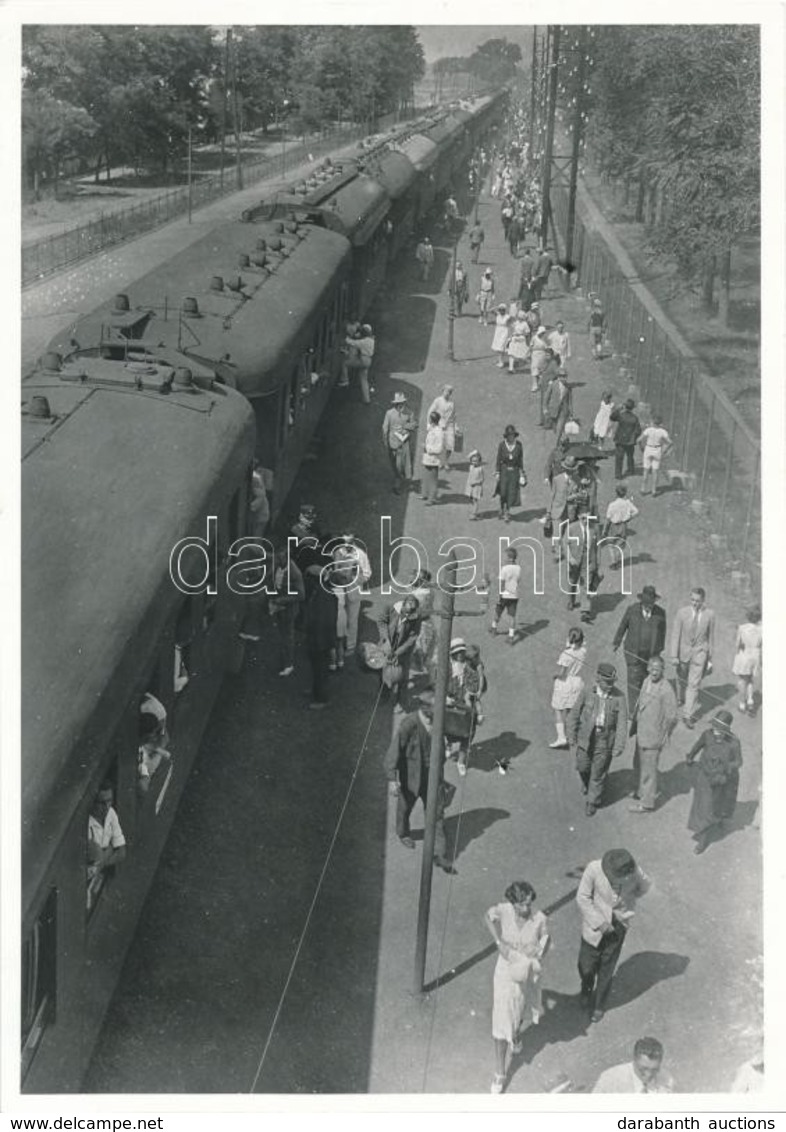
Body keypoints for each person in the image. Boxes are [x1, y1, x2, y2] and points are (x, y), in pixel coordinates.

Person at [485, 881, 550, 1094]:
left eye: (529, 904)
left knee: (519, 1010)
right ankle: (500, 1072)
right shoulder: (503, 910)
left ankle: (515, 1033)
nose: (526, 909)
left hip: (525, 971)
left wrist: (538, 954)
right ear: (512, 903)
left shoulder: (539, 919)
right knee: (501, 1020)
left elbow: (546, 939)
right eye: (522, 904)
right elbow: (486, 916)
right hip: (505, 970)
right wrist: (498, 942)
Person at [575, 848, 649, 1021]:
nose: (624, 880)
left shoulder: (635, 872)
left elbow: (645, 886)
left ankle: (599, 1004)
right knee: (586, 965)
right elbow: (582, 898)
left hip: (618, 926)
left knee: (607, 968)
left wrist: (627, 905)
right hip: (594, 926)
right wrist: (600, 923)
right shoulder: (593, 869)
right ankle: (586, 990)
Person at [383, 695, 454, 872]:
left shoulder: (438, 720)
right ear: (425, 709)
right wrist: (392, 779)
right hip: (411, 777)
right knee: (405, 807)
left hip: (433, 776)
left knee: (436, 813)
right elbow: (394, 751)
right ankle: (403, 833)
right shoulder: (409, 724)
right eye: (436, 710)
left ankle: (438, 854)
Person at [568, 661, 628, 816]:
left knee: (598, 772)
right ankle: (587, 783)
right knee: (582, 766)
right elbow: (574, 713)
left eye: (612, 683)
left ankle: (592, 801)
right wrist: (571, 735)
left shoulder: (619, 698)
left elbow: (622, 724)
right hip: (586, 737)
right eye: (607, 682)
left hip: (605, 740)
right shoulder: (587, 692)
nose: (610, 686)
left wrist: (619, 746)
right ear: (598, 679)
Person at [686, 709, 742, 854]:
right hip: (704, 777)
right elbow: (697, 746)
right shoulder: (707, 735)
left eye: (720, 729)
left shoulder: (734, 743)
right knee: (703, 809)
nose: (716, 731)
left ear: (726, 731)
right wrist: (690, 756)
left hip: (720, 780)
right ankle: (707, 830)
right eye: (715, 727)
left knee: (713, 807)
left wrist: (726, 767)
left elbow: (739, 762)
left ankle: (703, 841)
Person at [628, 656, 678, 813]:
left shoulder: (666, 690)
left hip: (654, 736)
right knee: (639, 764)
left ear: (663, 670)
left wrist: (663, 734)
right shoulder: (646, 681)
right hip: (642, 732)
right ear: (648, 668)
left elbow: (672, 717)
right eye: (652, 668)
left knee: (649, 770)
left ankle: (647, 803)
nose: (654, 672)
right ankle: (641, 792)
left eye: (658, 669)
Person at [612, 585, 667, 709]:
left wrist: (659, 651)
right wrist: (617, 642)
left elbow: (663, 633)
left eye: (651, 604)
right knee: (633, 682)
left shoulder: (660, 613)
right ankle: (632, 710)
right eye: (646, 604)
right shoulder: (632, 610)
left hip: (651, 656)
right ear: (641, 602)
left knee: (647, 681)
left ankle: (644, 708)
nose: (649, 606)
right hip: (633, 654)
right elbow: (622, 626)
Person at [670, 586, 716, 728]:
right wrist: (674, 655)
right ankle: (680, 697)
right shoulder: (682, 613)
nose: (695, 603)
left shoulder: (710, 615)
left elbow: (711, 637)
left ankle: (687, 715)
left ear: (703, 600)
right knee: (682, 678)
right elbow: (675, 635)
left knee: (694, 685)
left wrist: (709, 658)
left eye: (698, 601)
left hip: (700, 654)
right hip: (683, 654)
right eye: (692, 600)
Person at [377, 595, 422, 712]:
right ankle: (384, 696)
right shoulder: (389, 607)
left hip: (403, 651)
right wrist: (386, 641)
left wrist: (397, 653)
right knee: (383, 672)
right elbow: (381, 622)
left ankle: (401, 702)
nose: (407, 616)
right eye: (406, 612)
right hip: (386, 645)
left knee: (403, 676)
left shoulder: (417, 617)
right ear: (402, 605)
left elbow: (412, 639)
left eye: (410, 613)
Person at [86, 782, 126, 912]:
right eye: (102, 803)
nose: (107, 807)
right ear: (93, 802)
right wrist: (109, 850)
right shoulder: (85, 825)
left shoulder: (111, 813)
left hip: (100, 877)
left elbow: (121, 853)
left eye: (110, 801)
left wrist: (100, 863)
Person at [268, 542, 305, 676]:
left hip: (288, 610)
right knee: (282, 634)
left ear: (287, 558)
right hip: (278, 606)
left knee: (287, 637)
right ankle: (283, 659)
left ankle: (288, 664)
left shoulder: (295, 573)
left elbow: (301, 595)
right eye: (277, 557)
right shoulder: (279, 563)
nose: (277, 560)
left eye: (280, 558)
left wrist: (281, 600)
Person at [303, 567, 338, 709]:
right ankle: (315, 691)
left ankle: (322, 699)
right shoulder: (319, 591)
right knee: (316, 668)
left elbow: (326, 622)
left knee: (321, 669)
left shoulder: (324, 596)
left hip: (321, 641)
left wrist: (323, 642)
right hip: (316, 639)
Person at [332, 534, 372, 655]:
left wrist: (353, 579)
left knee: (352, 620)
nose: (346, 545)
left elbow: (367, 574)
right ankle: (337, 643)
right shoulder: (338, 552)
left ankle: (350, 646)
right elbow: (334, 567)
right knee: (338, 617)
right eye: (344, 542)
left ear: (353, 541)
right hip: (339, 590)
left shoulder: (361, 555)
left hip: (353, 591)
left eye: (348, 542)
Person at [593, 1037, 674, 1093]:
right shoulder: (610, 1079)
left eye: (654, 1070)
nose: (648, 1075)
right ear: (634, 1060)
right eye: (643, 1069)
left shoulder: (667, 1079)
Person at [561, 502, 598, 623]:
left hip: (587, 561)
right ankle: (571, 600)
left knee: (586, 585)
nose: (586, 520)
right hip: (574, 561)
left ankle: (585, 611)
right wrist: (570, 557)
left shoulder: (593, 529)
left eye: (588, 518)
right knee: (572, 582)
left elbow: (596, 548)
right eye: (583, 518)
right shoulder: (571, 528)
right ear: (578, 517)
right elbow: (564, 543)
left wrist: (596, 564)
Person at [550, 627, 587, 749]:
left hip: (565, 683)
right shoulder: (583, 651)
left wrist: (555, 676)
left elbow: (562, 673)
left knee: (558, 709)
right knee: (572, 710)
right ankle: (572, 736)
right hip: (577, 682)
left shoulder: (566, 654)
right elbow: (581, 646)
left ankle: (561, 737)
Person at [382, 391, 416, 495]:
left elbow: (414, 425)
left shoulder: (410, 413)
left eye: (402, 403)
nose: (401, 405)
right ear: (395, 404)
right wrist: (385, 442)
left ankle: (398, 480)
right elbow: (385, 429)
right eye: (398, 403)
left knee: (401, 464)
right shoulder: (389, 413)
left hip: (404, 443)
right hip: (392, 444)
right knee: (394, 464)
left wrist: (405, 427)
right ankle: (398, 478)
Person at [732, 605, 762, 715]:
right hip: (755, 656)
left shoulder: (742, 628)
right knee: (749, 679)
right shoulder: (761, 628)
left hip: (745, 655)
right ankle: (750, 700)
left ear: (748, 616)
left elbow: (737, 644)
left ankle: (742, 703)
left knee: (742, 680)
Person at [601, 484, 639, 570]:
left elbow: (608, 519)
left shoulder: (612, 505)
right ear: (625, 493)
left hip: (613, 526)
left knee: (611, 545)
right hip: (623, 525)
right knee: (620, 545)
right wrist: (629, 518)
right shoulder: (627, 503)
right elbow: (636, 511)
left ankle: (613, 562)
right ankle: (617, 561)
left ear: (616, 493)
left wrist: (604, 530)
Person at [493, 424, 525, 523]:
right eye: (509, 435)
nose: (511, 437)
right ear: (506, 436)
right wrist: (497, 472)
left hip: (514, 472)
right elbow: (498, 459)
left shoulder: (519, 445)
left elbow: (520, 460)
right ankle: (502, 507)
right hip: (504, 470)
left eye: (512, 435)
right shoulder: (502, 445)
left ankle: (507, 512)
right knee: (503, 492)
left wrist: (522, 473)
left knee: (511, 493)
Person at [490, 546, 521, 642]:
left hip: (504, 595)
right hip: (514, 595)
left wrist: (499, 595)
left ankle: (494, 629)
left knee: (497, 612)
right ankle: (511, 636)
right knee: (512, 616)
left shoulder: (504, 569)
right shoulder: (518, 568)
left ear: (510, 558)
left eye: (506, 557)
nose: (504, 558)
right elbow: (518, 580)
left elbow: (501, 584)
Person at [639, 415, 673, 496]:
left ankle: (643, 489)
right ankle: (654, 490)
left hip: (648, 449)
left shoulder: (648, 430)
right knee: (655, 471)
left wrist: (641, 447)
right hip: (657, 450)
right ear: (660, 423)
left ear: (653, 422)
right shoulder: (663, 431)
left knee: (646, 470)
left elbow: (639, 439)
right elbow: (670, 442)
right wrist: (665, 450)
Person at [610, 399, 642, 480]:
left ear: (625, 407)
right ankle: (631, 469)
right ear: (632, 408)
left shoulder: (621, 415)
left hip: (620, 440)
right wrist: (633, 437)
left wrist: (618, 409)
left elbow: (612, 417)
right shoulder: (635, 418)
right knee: (630, 456)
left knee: (619, 457)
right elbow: (638, 430)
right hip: (630, 441)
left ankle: (618, 474)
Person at [427, 384, 457, 470]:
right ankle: (440, 462)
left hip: (449, 426)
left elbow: (454, 416)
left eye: (449, 392)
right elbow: (430, 412)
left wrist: (456, 426)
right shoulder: (437, 401)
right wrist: (430, 424)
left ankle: (446, 461)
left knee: (450, 446)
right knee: (439, 445)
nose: (447, 393)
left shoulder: (452, 403)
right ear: (442, 391)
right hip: (439, 425)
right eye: (446, 391)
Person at [421, 410, 444, 505]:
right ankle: (425, 494)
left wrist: (427, 448)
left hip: (433, 459)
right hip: (427, 458)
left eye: (430, 418)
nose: (428, 420)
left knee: (433, 480)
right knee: (426, 477)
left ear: (433, 420)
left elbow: (439, 449)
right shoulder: (431, 429)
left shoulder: (439, 432)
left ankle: (432, 499)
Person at [348, 324, 376, 404]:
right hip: (369, 360)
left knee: (346, 364)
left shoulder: (364, 341)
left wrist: (347, 338)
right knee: (364, 379)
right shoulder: (371, 340)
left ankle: (345, 380)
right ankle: (367, 399)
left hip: (363, 359)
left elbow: (353, 343)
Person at [505, 309, 530, 374]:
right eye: (518, 316)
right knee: (511, 353)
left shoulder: (525, 324)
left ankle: (524, 362)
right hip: (514, 339)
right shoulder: (516, 322)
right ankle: (511, 368)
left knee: (521, 354)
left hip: (521, 339)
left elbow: (527, 333)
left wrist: (521, 334)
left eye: (520, 316)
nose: (519, 318)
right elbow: (509, 324)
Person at [529, 325, 551, 394]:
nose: (542, 334)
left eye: (543, 333)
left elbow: (547, 348)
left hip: (542, 355)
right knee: (534, 368)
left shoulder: (545, 339)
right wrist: (529, 353)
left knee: (541, 370)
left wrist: (548, 355)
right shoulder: (534, 338)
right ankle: (534, 385)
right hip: (535, 354)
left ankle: (539, 384)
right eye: (542, 332)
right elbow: (531, 346)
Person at [465, 449, 485, 520]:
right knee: (471, 500)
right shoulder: (471, 467)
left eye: (476, 461)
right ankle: (474, 512)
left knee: (475, 501)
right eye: (473, 461)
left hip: (476, 487)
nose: (474, 463)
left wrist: (475, 482)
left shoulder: (480, 469)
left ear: (479, 461)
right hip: (470, 487)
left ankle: (474, 514)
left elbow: (482, 479)